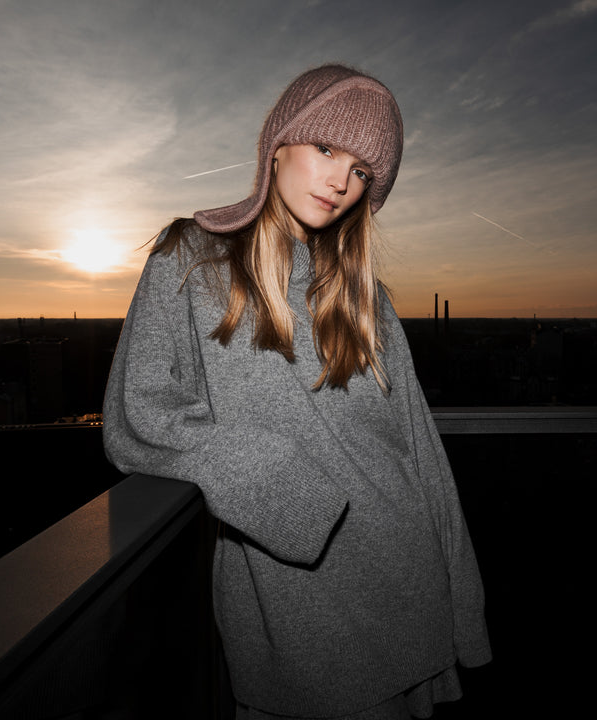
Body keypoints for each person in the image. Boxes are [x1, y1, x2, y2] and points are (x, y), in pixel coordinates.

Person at [102, 64, 491, 719]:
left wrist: (463, 609)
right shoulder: (192, 259)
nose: (342, 180)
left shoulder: (369, 299)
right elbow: (136, 416)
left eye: (364, 171)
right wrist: (270, 475)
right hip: (296, 598)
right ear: (278, 144)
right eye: (328, 148)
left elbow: (420, 456)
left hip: (403, 581)